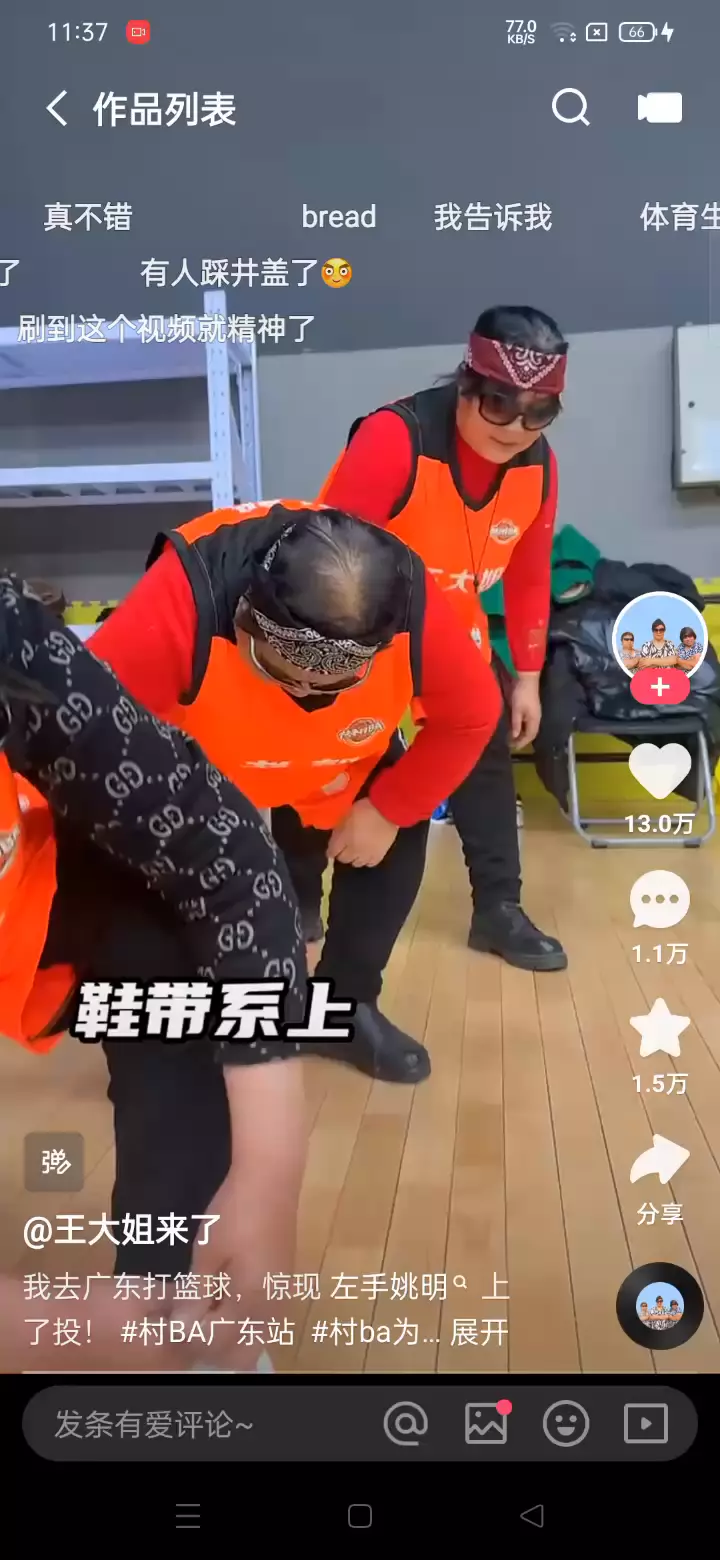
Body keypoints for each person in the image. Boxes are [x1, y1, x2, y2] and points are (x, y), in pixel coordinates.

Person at [0, 571, 314, 1368]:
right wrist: (65, 1327)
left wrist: (269, 1175)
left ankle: (182, 1290)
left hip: (33, 912)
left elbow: (221, 848)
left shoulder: (9, 639)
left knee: (176, 943)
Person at [89, 501, 502, 1086]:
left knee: (395, 833)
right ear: (246, 618)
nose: (305, 690)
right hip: (201, 746)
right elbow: (91, 730)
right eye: (284, 672)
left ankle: (345, 1007)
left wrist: (391, 809)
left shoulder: (413, 603)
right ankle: (171, 1032)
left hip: (342, 752)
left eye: (329, 681)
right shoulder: (180, 599)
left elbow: (472, 715)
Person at [316, 305, 569, 973]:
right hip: (359, 628)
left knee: (484, 741)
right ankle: (298, 900)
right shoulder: (392, 438)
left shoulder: (539, 466)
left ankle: (499, 908)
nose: (516, 428)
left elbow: (530, 572)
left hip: (450, 628)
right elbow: (327, 561)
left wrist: (527, 678)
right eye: (499, 404)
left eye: (540, 412)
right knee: (330, 757)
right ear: (466, 383)